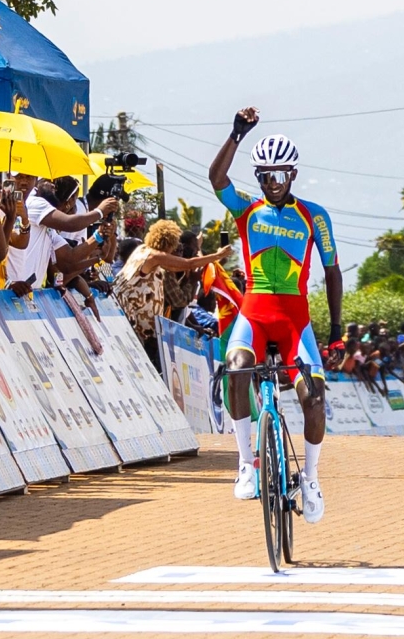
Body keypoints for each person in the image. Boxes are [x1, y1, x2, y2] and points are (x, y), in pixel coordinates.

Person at [209, 106, 343, 525]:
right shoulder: (247, 209)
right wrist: (236, 134)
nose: (272, 182)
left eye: (279, 175)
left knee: (315, 400)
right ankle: (245, 464)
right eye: (265, 175)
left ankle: (312, 478)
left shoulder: (314, 216)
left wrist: (336, 332)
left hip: (294, 322)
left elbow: (333, 272)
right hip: (254, 314)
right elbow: (217, 179)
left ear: (293, 175)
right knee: (236, 368)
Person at [115, 219, 232, 369]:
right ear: (168, 244)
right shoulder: (154, 256)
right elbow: (188, 264)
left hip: (132, 319)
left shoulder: (142, 250)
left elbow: (178, 267)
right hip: (133, 321)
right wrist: (217, 255)